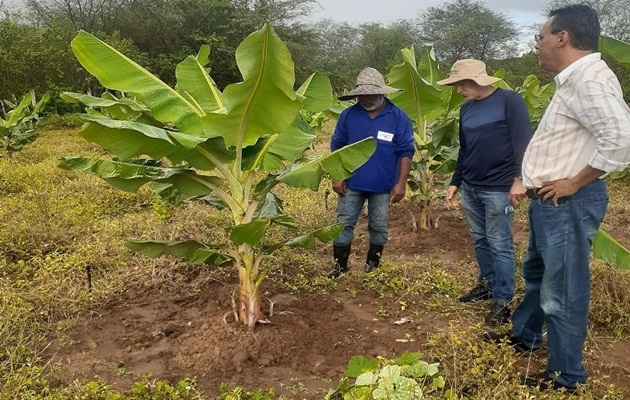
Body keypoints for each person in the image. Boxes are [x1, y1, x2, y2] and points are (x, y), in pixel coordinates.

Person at [486, 4, 630, 392]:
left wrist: (574, 183)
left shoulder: (590, 81)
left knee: (562, 291)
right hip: (551, 202)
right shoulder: (575, 80)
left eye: (541, 37)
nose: (538, 45)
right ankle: (526, 335)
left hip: (567, 202)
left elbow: (621, 139)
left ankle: (566, 376)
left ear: (562, 38)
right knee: (537, 274)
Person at [437, 59, 532, 325]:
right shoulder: (466, 110)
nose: (459, 90)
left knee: (500, 243)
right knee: (480, 239)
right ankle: (487, 285)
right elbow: (465, 150)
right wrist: (456, 182)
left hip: (499, 188)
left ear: (478, 80)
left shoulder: (510, 101)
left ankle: (503, 299)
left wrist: (519, 179)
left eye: (462, 84)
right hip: (471, 186)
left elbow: (522, 142)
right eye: (456, 85)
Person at [326, 67, 414, 278]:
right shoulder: (349, 115)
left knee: (378, 225)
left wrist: (401, 183)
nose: (365, 99)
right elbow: (337, 146)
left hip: (383, 185)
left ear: (382, 93)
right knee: (343, 223)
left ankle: (372, 265)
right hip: (351, 183)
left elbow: (406, 151)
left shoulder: (398, 117)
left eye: (370, 95)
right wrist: (337, 175)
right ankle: (340, 266)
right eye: (361, 95)